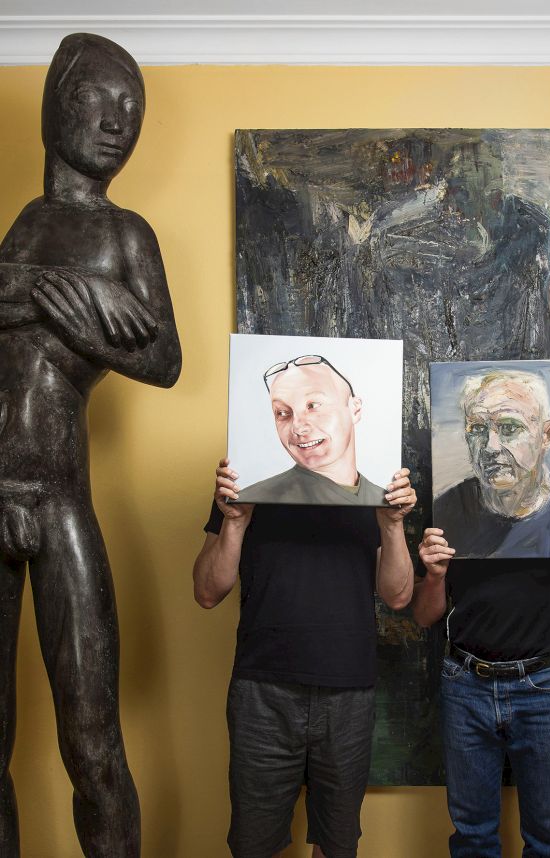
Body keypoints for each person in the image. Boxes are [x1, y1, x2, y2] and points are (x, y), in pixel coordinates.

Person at [0, 34, 180, 857]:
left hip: (62, 496)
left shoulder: (125, 238)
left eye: (132, 111)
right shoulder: (23, 230)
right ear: (53, 108)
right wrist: (56, 293)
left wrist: (78, 311)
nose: (118, 123)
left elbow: (163, 358)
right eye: (100, 101)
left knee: (94, 746)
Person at [193, 455, 417, 858]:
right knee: (253, 844)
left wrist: (393, 524)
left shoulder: (373, 481)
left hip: (348, 690)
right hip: (262, 691)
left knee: (336, 844)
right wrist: (236, 521)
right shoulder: (249, 474)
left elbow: (399, 595)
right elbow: (208, 592)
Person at [413, 521, 550, 856]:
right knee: (472, 840)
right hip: (467, 683)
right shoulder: (453, 505)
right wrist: (434, 576)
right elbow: (423, 616)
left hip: (545, 686)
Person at [434, 369, 550, 557]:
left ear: (547, 435)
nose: (490, 447)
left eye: (509, 427)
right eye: (478, 429)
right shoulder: (446, 512)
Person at [234, 355, 388, 505]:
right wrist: (234, 522)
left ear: (355, 410)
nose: (298, 427)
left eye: (313, 406)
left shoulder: (386, 502)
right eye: (282, 413)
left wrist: (393, 523)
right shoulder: (245, 499)